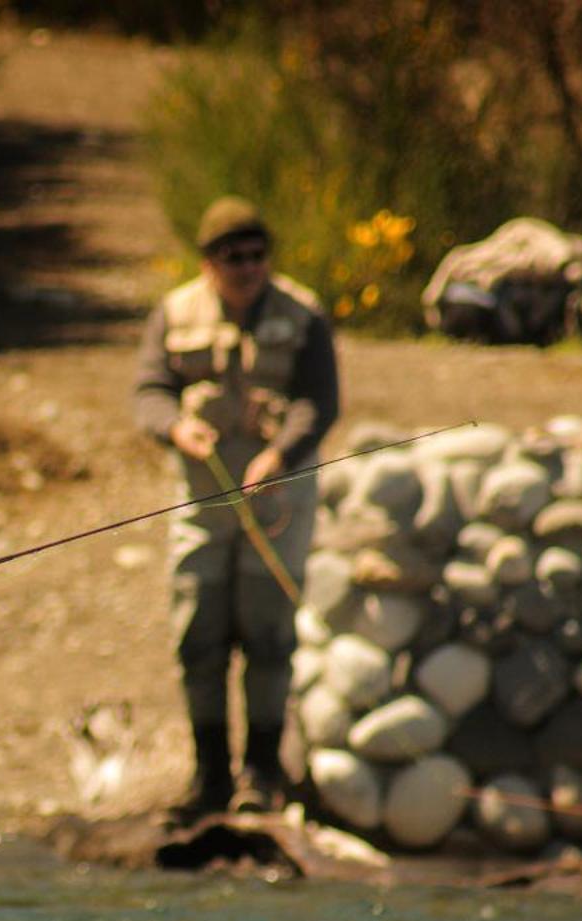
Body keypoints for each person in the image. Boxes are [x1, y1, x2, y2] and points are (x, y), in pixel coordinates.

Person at [134, 196, 340, 818]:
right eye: (233, 257)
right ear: (207, 262)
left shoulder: (303, 314)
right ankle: (209, 777)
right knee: (199, 634)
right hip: (202, 502)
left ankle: (263, 772)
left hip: (278, 499)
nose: (248, 267)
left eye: (257, 255)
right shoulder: (173, 313)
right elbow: (148, 392)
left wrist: (282, 452)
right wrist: (175, 429)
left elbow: (320, 401)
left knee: (267, 633)